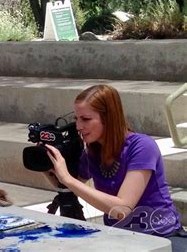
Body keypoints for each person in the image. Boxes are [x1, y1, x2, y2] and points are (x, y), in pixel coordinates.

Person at [45, 84, 186, 250]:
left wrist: (67, 179)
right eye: (76, 119)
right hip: (121, 237)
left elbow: (122, 209)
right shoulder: (93, 151)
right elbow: (67, 187)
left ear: (109, 118)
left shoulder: (141, 146)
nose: (78, 127)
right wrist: (48, 165)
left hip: (160, 236)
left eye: (86, 119)